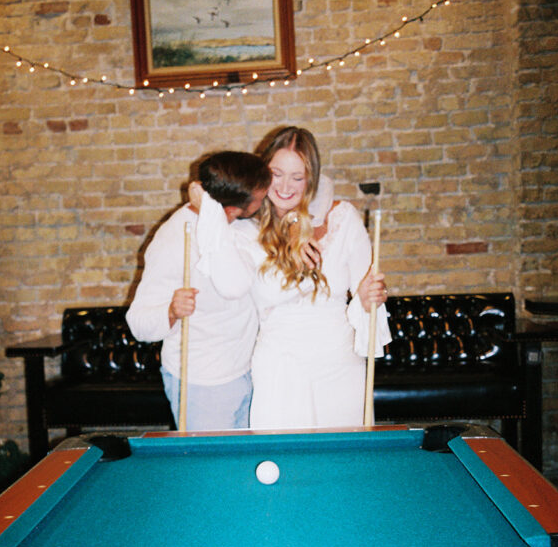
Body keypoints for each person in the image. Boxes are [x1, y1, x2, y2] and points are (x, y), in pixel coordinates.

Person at [191, 126, 390, 429]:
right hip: (280, 366)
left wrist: (368, 296)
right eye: (277, 174)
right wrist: (207, 207)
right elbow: (230, 286)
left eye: (298, 177)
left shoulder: (342, 218)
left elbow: (365, 291)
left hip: (339, 362)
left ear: (311, 179)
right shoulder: (245, 232)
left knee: (343, 462)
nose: (285, 187)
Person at [126, 151, 270, 430]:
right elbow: (138, 323)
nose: (266, 199)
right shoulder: (174, 239)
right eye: (261, 196)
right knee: (212, 472)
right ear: (236, 206)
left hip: (247, 373)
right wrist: (170, 311)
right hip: (201, 385)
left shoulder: (240, 227)